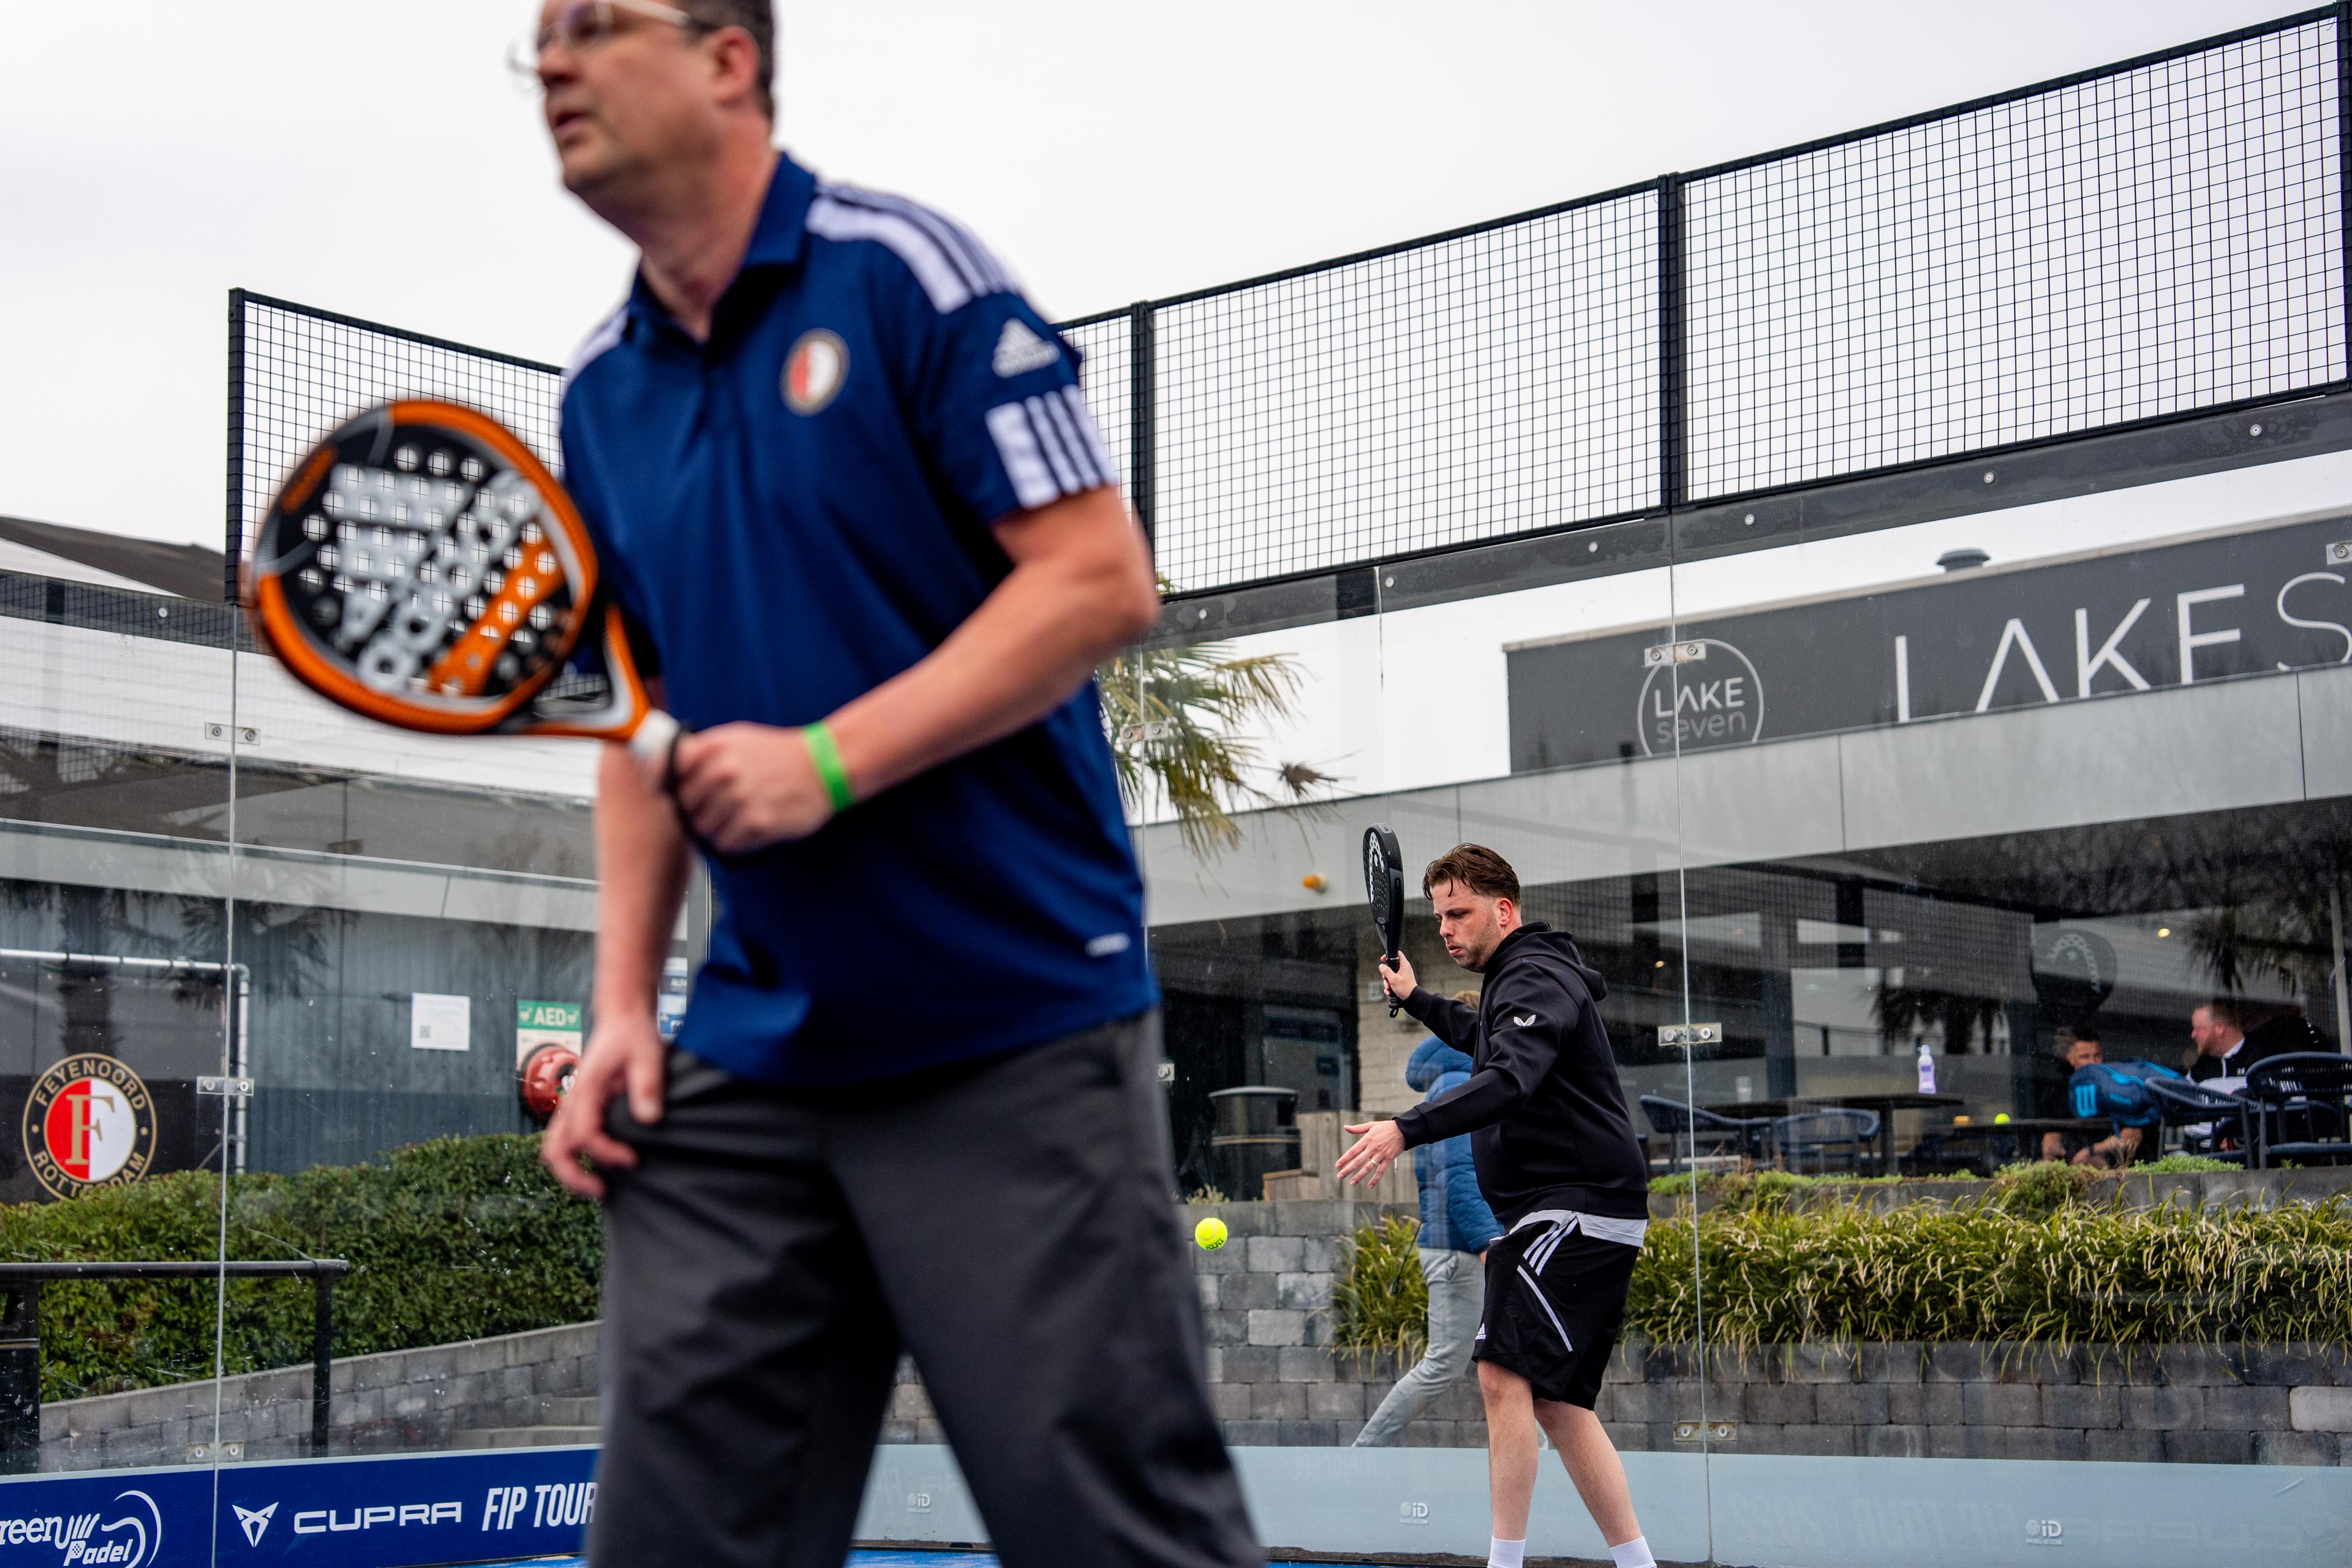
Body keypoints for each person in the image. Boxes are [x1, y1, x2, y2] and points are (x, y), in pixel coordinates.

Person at [524, 6, 1258, 1566]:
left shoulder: (908, 275)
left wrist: (828, 762)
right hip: (751, 1054)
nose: (555, 64)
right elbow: (632, 726)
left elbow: (1099, 579)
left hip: (1009, 1024)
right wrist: (619, 1010)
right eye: (536, 43)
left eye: (594, 25)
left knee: (1116, 1539)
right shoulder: (597, 393)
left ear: (728, 58)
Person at [1334, 845, 1656, 1568]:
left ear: (1503, 910)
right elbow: (1486, 1040)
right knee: (1559, 1404)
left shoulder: (1533, 973)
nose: (1446, 928)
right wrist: (1418, 997)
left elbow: (1509, 1077)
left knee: (1500, 1373)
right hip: (1582, 1209)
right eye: (1438, 916)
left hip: (1571, 1208)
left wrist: (1405, 1128)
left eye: (1459, 912)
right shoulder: (1524, 978)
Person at [1354, 995, 1505, 1448]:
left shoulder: (1456, 1083)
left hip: (1460, 1247)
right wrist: (1489, 1246)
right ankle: (1363, 1454)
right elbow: (1460, 1177)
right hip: (1464, 1252)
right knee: (1445, 1363)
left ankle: (1534, 1461)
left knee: (1512, 1363)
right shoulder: (1462, 1086)